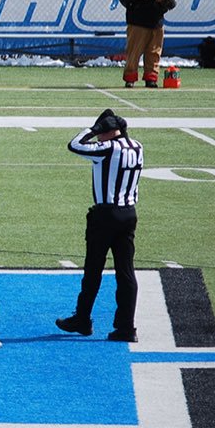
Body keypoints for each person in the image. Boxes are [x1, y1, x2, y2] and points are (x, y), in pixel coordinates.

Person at [58, 110, 144, 342]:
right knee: (126, 271)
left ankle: (82, 318)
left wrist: (92, 129)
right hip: (129, 213)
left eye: (101, 132)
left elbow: (74, 145)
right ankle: (126, 327)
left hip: (106, 215)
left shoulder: (108, 148)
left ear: (109, 131)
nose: (98, 136)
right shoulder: (137, 146)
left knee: (93, 269)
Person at [122, 0, 173, 88]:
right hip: (138, 22)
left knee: (154, 52)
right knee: (134, 52)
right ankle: (130, 78)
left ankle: (151, 78)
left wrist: (168, 0)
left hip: (156, 21)